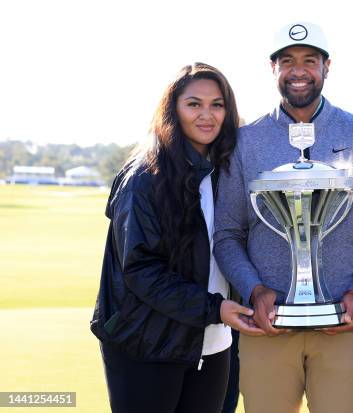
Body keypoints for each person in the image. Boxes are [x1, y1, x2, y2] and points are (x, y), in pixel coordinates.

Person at [213, 22, 353, 413]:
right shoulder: (243, 142)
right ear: (273, 69)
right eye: (287, 61)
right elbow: (228, 235)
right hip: (267, 324)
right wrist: (254, 290)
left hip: (344, 325)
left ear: (326, 66)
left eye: (309, 60)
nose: (298, 70)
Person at [90, 62, 264, 413]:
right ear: (173, 109)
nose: (207, 115)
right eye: (194, 104)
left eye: (217, 104)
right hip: (147, 343)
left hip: (215, 344)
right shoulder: (145, 176)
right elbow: (140, 270)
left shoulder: (225, 173)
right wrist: (215, 308)